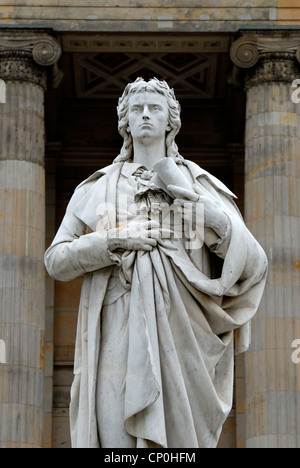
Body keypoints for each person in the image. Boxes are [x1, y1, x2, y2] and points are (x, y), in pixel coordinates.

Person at [44, 77, 268, 448]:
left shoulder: (200, 184)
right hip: (117, 325)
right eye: (136, 109)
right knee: (115, 439)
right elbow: (56, 260)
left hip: (184, 331)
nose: (145, 115)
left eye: (154, 108)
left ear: (171, 121)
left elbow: (254, 263)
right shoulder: (95, 188)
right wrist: (113, 240)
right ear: (125, 123)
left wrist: (207, 215)